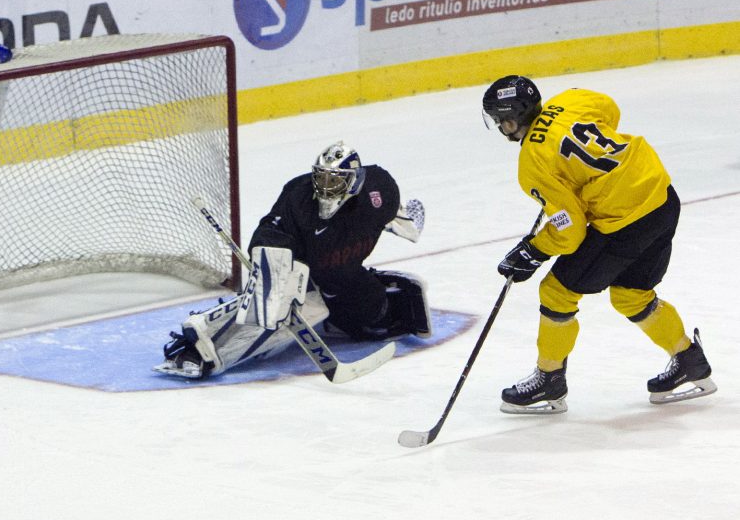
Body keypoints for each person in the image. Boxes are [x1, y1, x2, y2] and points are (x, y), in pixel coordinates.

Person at [481, 75, 717, 414]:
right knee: (631, 295)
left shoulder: (532, 162)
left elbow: (570, 227)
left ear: (510, 119)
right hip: (661, 199)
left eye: (498, 120)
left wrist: (534, 250)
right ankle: (690, 363)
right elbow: (610, 110)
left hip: (625, 223)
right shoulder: (571, 100)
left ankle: (549, 380)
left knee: (557, 292)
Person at [154, 141, 431, 379]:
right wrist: (273, 265)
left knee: (371, 318)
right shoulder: (299, 196)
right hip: (302, 272)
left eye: (334, 181)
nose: (325, 187)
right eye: (321, 178)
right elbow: (271, 230)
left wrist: (408, 224)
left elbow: (396, 214)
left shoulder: (378, 190)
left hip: (345, 280)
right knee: (276, 308)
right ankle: (203, 347)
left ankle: (339, 318)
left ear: (354, 182)